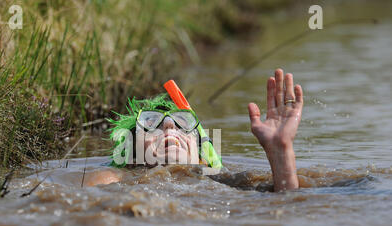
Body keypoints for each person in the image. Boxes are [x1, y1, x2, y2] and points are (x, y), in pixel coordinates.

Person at [84, 68, 303, 192]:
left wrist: (281, 152)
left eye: (182, 122)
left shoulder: (226, 184)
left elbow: (287, 205)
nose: (169, 125)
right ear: (131, 156)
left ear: (200, 158)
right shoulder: (115, 180)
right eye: (150, 123)